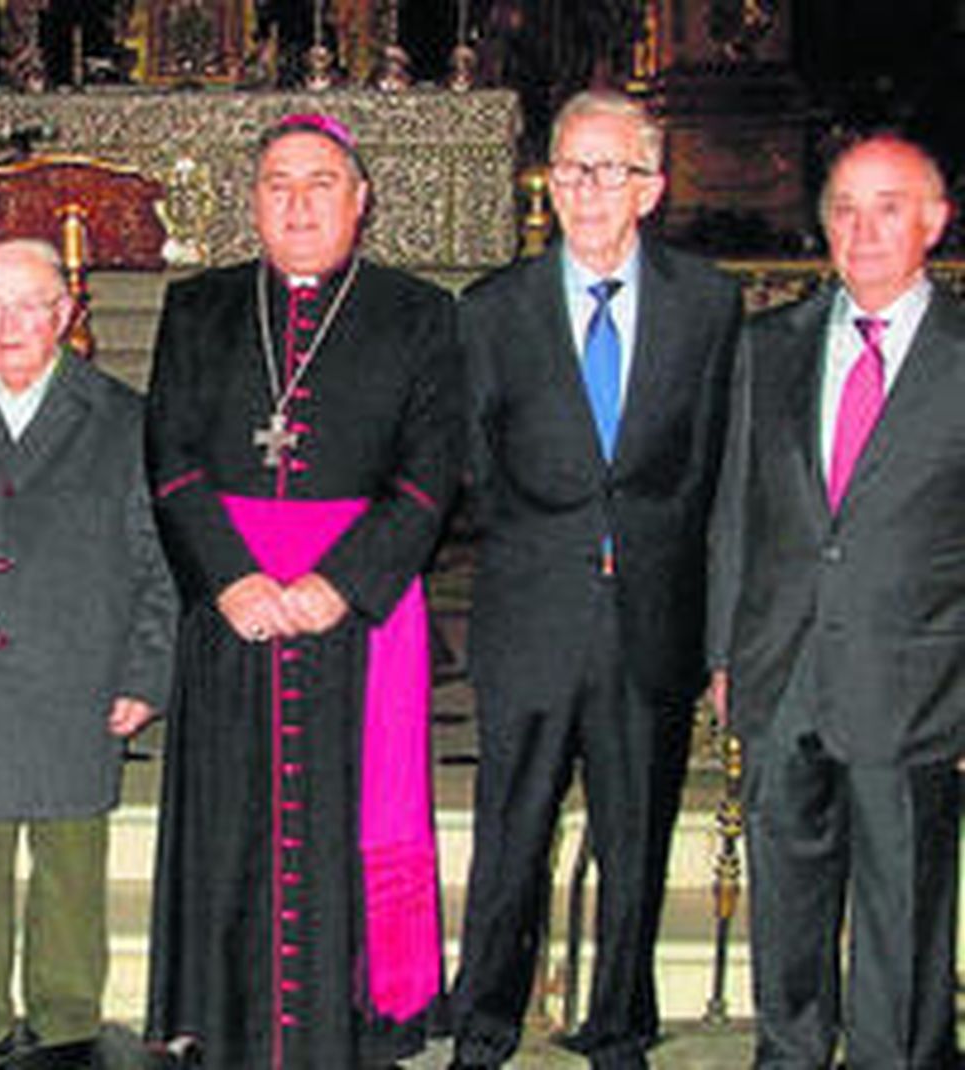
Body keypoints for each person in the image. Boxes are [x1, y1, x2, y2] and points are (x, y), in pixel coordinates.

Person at [144, 113, 464, 1069]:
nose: (297, 204)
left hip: (358, 612)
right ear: (251, 203)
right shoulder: (199, 307)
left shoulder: (418, 313)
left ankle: (356, 1018)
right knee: (230, 813)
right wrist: (230, 579)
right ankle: (220, 1010)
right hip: (233, 606)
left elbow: (430, 475)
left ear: (360, 200)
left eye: (321, 183)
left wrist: (341, 584)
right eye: (277, 184)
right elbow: (170, 460)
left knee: (352, 815)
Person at [451, 89, 741, 1070]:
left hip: (651, 617)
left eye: (609, 169)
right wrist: (557, 542)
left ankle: (618, 1025)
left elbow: (710, 470)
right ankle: (485, 1021)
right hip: (531, 612)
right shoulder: (493, 308)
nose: (584, 189)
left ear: (651, 187)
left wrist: (701, 614)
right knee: (510, 835)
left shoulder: (708, 304)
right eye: (570, 167)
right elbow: (477, 468)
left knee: (636, 837)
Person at [0, 239, 177, 1070]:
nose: (9, 324)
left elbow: (158, 561)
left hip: (76, 677)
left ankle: (67, 1022)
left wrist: (145, 673)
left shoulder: (124, 418)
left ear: (65, 313)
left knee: (70, 870)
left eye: (29, 306)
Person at [708, 133, 962, 1069]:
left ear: (934, 221)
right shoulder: (769, 345)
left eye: (888, 208)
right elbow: (735, 509)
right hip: (782, 668)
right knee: (787, 895)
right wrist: (724, 652)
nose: (863, 230)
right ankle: (791, 1051)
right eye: (844, 209)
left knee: (903, 903)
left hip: (918, 677)